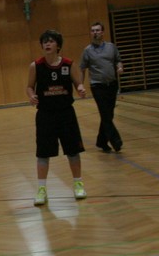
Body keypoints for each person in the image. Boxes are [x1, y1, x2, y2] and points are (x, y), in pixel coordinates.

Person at [26, 29, 87, 206]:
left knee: (73, 151)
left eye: (51, 41)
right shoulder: (35, 66)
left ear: (58, 45)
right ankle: (41, 189)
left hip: (66, 113)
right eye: (45, 41)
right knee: (43, 153)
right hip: (45, 115)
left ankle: (78, 184)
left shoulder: (69, 64)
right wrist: (31, 95)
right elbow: (29, 86)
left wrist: (81, 88)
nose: (47, 44)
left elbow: (78, 83)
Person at [80, 21, 124, 153]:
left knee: (108, 114)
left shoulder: (111, 47)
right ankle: (116, 141)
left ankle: (101, 141)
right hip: (97, 86)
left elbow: (118, 60)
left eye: (97, 30)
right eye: (93, 30)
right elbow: (82, 68)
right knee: (105, 113)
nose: (95, 33)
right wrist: (80, 84)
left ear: (102, 32)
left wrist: (120, 67)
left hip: (112, 84)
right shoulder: (87, 50)